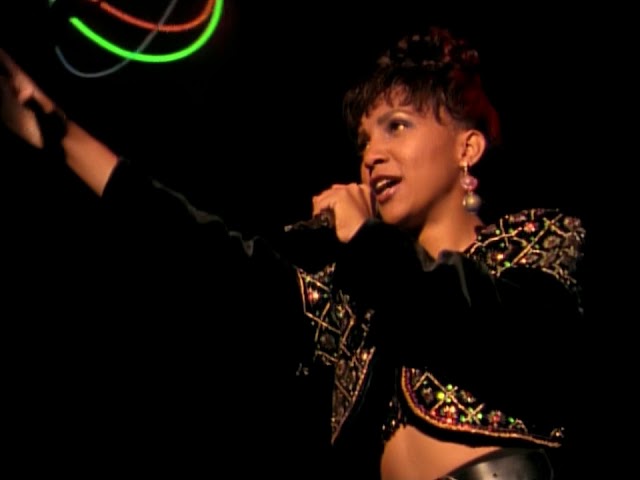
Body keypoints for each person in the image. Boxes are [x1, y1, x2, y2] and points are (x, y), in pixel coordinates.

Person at [1, 25, 584, 479]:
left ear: (468, 147)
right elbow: (215, 257)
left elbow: (489, 331)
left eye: (397, 127)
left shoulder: (535, 242)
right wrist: (65, 140)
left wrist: (364, 238)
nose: (372, 155)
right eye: (364, 141)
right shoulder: (351, 299)